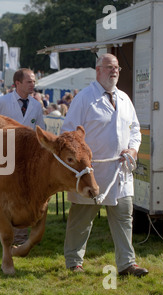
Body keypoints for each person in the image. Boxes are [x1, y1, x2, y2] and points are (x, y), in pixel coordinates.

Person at [60, 53, 148, 277]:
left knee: (123, 218)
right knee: (81, 219)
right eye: (109, 67)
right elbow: (69, 134)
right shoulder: (85, 98)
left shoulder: (125, 99)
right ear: (98, 70)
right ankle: (73, 262)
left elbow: (135, 129)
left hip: (121, 171)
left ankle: (127, 264)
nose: (114, 71)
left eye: (117, 67)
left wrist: (133, 149)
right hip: (92, 173)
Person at [0, 68, 46, 245]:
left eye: (34, 81)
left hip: (26, 161)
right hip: (3, 156)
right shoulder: (2, 102)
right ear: (17, 83)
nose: (33, 85)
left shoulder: (36, 105)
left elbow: (40, 131)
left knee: (20, 195)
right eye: (29, 81)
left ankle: (19, 237)